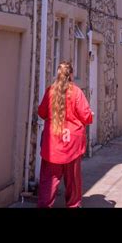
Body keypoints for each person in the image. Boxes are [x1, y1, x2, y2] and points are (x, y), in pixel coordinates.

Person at [37, 60, 93, 208]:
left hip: (53, 144)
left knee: (48, 182)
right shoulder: (76, 92)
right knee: (73, 182)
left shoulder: (50, 91)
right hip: (72, 145)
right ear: (71, 75)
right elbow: (86, 116)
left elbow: (42, 112)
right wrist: (89, 115)